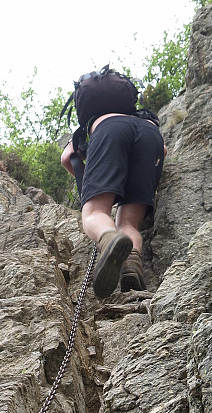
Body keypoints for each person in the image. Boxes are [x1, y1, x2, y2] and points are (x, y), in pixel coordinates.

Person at [61, 71, 167, 298]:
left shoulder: (92, 121)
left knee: (94, 212)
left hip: (109, 131)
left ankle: (108, 239)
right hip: (151, 137)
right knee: (128, 224)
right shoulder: (141, 116)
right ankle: (131, 267)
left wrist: (92, 184)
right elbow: (163, 151)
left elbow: (67, 157)